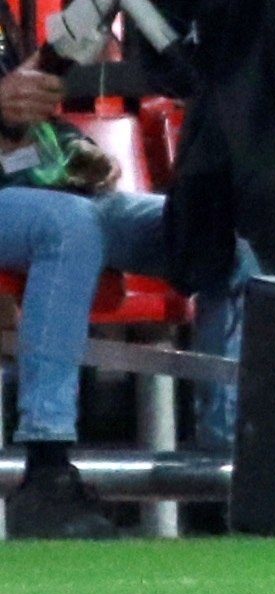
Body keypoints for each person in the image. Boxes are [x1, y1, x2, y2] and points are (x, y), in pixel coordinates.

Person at [0, 56, 256, 539]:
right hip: (42, 209)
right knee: (70, 226)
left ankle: (228, 465)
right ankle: (45, 466)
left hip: (40, 187)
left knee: (220, 237)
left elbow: (25, 129)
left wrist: (76, 150)